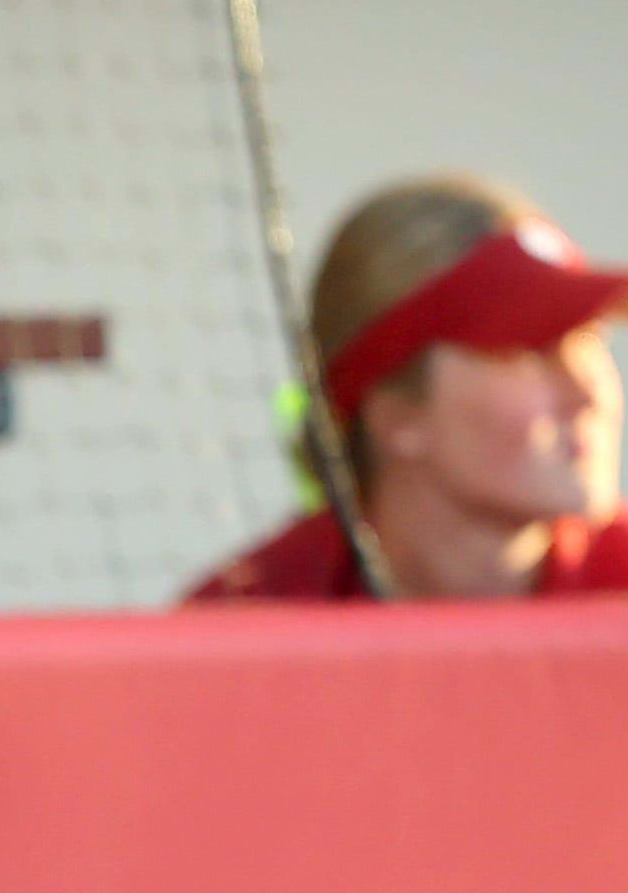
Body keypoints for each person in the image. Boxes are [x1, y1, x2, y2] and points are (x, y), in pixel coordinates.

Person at [190, 175, 626, 602]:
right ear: (395, 413)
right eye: (530, 352)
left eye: (591, 341)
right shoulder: (248, 623)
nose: (588, 395)